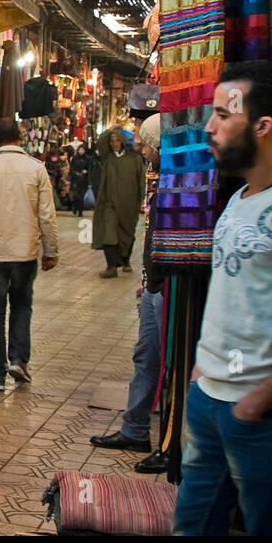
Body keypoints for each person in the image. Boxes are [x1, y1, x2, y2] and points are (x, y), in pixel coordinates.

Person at [173, 61, 272, 535]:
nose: (209, 127)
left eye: (223, 115)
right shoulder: (239, 198)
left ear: (262, 126)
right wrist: (201, 374)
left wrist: (260, 400)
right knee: (192, 528)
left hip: (264, 418)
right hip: (210, 400)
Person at [90, 112, 169, 472]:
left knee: (165, 361)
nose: (137, 144)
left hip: (167, 286)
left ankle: (169, 441)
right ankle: (136, 428)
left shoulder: (174, 175)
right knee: (145, 358)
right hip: (154, 284)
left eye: (144, 140)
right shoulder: (158, 174)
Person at [0, 117, 58, 391]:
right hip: (24, 252)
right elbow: (47, 216)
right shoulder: (36, 169)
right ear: (20, 137)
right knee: (21, 306)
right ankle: (18, 359)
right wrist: (50, 251)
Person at [91, 126, 146, 278]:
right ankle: (111, 266)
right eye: (112, 141)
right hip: (110, 205)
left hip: (129, 206)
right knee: (109, 234)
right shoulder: (108, 158)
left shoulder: (134, 159)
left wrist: (142, 200)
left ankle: (125, 260)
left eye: (117, 140)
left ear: (122, 141)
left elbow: (142, 181)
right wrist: (110, 130)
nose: (114, 144)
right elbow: (100, 143)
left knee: (126, 236)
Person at [69, 143, 92, 216]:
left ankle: (80, 211)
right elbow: (71, 168)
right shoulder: (75, 158)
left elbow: (90, 169)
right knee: (76, 196)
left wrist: (86, 172)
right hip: (76, 180)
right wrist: (75, 173)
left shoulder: (88, 159)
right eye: (80, 150)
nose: (81, 151)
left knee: (82, 196)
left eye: (83, 150)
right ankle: (75, 207)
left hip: (84, 181)